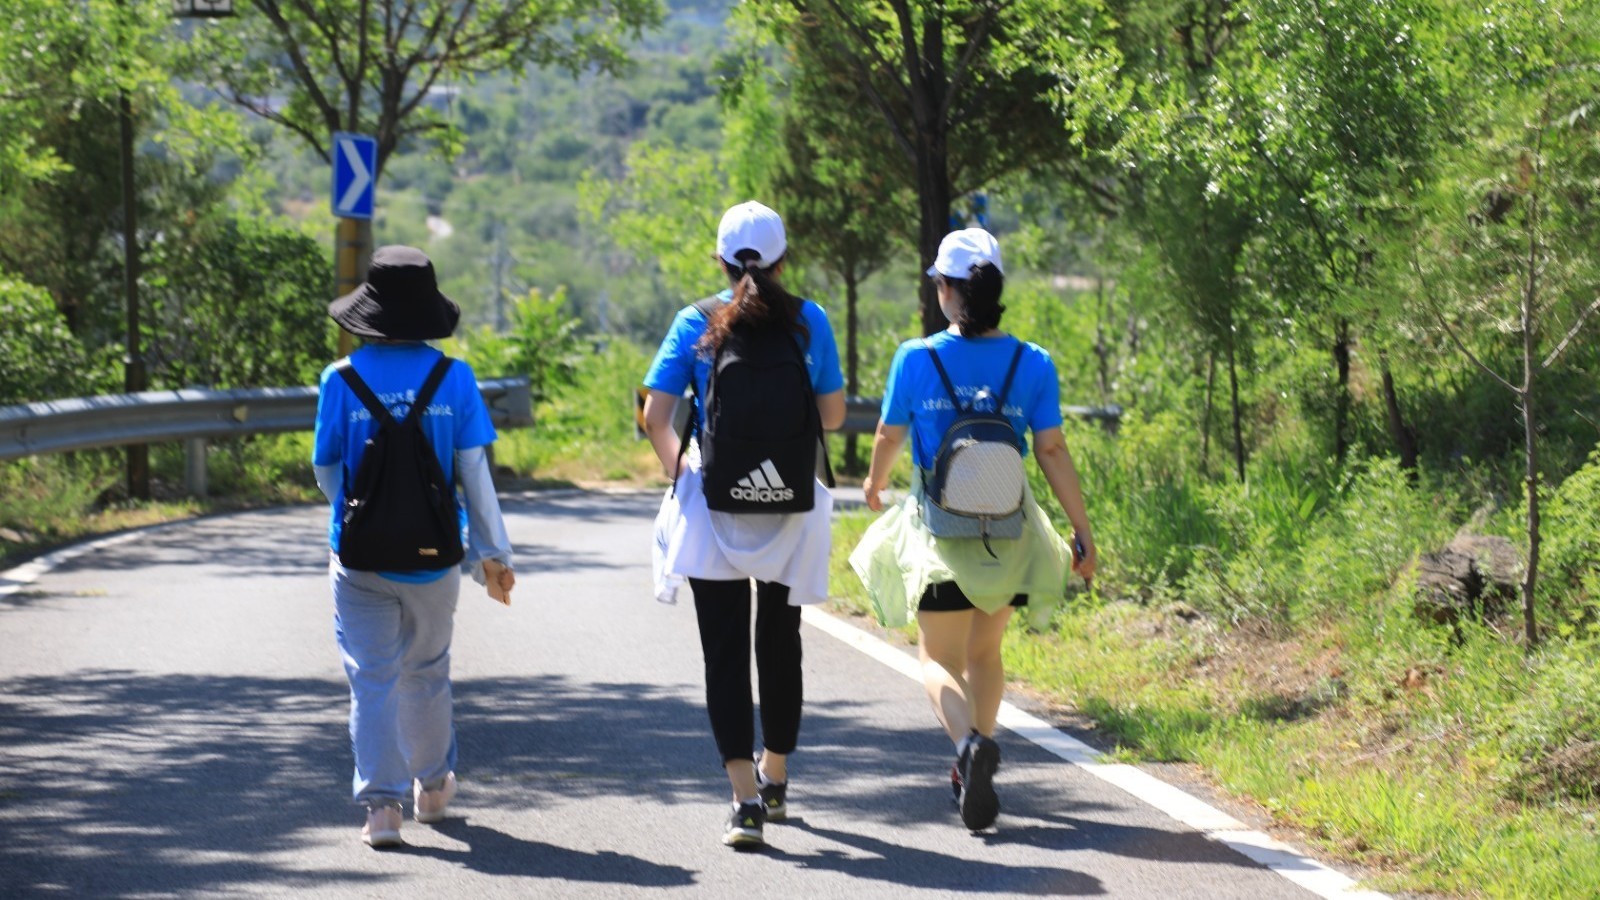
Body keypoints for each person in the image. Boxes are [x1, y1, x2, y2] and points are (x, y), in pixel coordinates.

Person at [850, 228, 1096, 832]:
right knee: (985, 652)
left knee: (937, 657)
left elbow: (888, 433)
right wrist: (1081, 530)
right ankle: (980, 751)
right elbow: (1054, 450)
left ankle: (967, 748)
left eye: (939, 282)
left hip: (940, 533)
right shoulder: (1032, 362)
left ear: (948, 291)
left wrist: (874, 484)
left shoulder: (916, 357)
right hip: (1008, 532)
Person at [642, 201, 846, 848]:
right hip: (791, 506)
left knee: (724, 655)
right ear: (784, 261)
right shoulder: (810, 321)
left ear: (722, 262)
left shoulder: (693, 321)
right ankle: (777, 772)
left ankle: (745, 801)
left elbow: (656, 415)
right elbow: (834, 417)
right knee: (780, 642)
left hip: (716, 507)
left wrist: (687, 474)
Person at [311, 245, 517, 848]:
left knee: (370, 679)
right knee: (425, 672)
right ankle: (431, 787)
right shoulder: (453, 378)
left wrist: (360, 515)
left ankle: (381, 809)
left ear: (368, 310)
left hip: (360, 559)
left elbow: (328, 473)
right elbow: (473, 474)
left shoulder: (340, 380)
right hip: (433, 560)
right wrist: (492, 556)